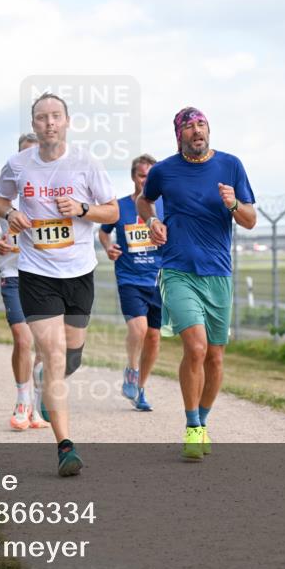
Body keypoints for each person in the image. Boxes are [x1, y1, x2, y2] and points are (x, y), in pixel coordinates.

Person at [0, 92, 118, 477]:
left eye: (56, 116)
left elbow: (111, 209)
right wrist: (12, 213)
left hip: (78, 272)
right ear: (34, 125)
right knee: (53, 354)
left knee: (72, 355)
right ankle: (65, 446)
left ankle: (49, 383)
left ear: (67, 122)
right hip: (36, 272)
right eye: (42, 117)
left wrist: (82, 209)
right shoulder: (18, 164)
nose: (49, 123)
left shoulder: (85, 163)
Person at [137, 107, 257, 461]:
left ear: (209, 130)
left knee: (216, 357)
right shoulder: (163, 171)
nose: (196, 131)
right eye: (188, 127)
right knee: (197, 349)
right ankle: (192, 426)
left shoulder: (231, 166)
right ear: (179, 135)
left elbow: (249, 220)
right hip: (177, 271)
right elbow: (145, 200)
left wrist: (233, 202)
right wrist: (152, 221)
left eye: (201, 125)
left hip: (218, 274)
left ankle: (203, 421)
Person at [0, 133, 49, 431]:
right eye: (23, 155)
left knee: (45, 346)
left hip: (47, 276)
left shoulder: (50, 190)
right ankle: (22, 401)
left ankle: (35, 405)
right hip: (14, 275)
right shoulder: (0, 192)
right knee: (23, 339)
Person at [99, 154, 163, 412]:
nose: (145, 180)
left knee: (154, 337)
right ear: (133, 177)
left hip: (159, 279)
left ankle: (141, 389)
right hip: (129, 278)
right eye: (141, 175)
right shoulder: (121, 206)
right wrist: (109, 248)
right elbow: (103, 233)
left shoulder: (164, 207)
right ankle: (132, 369)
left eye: (150, 176)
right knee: (139, 329)